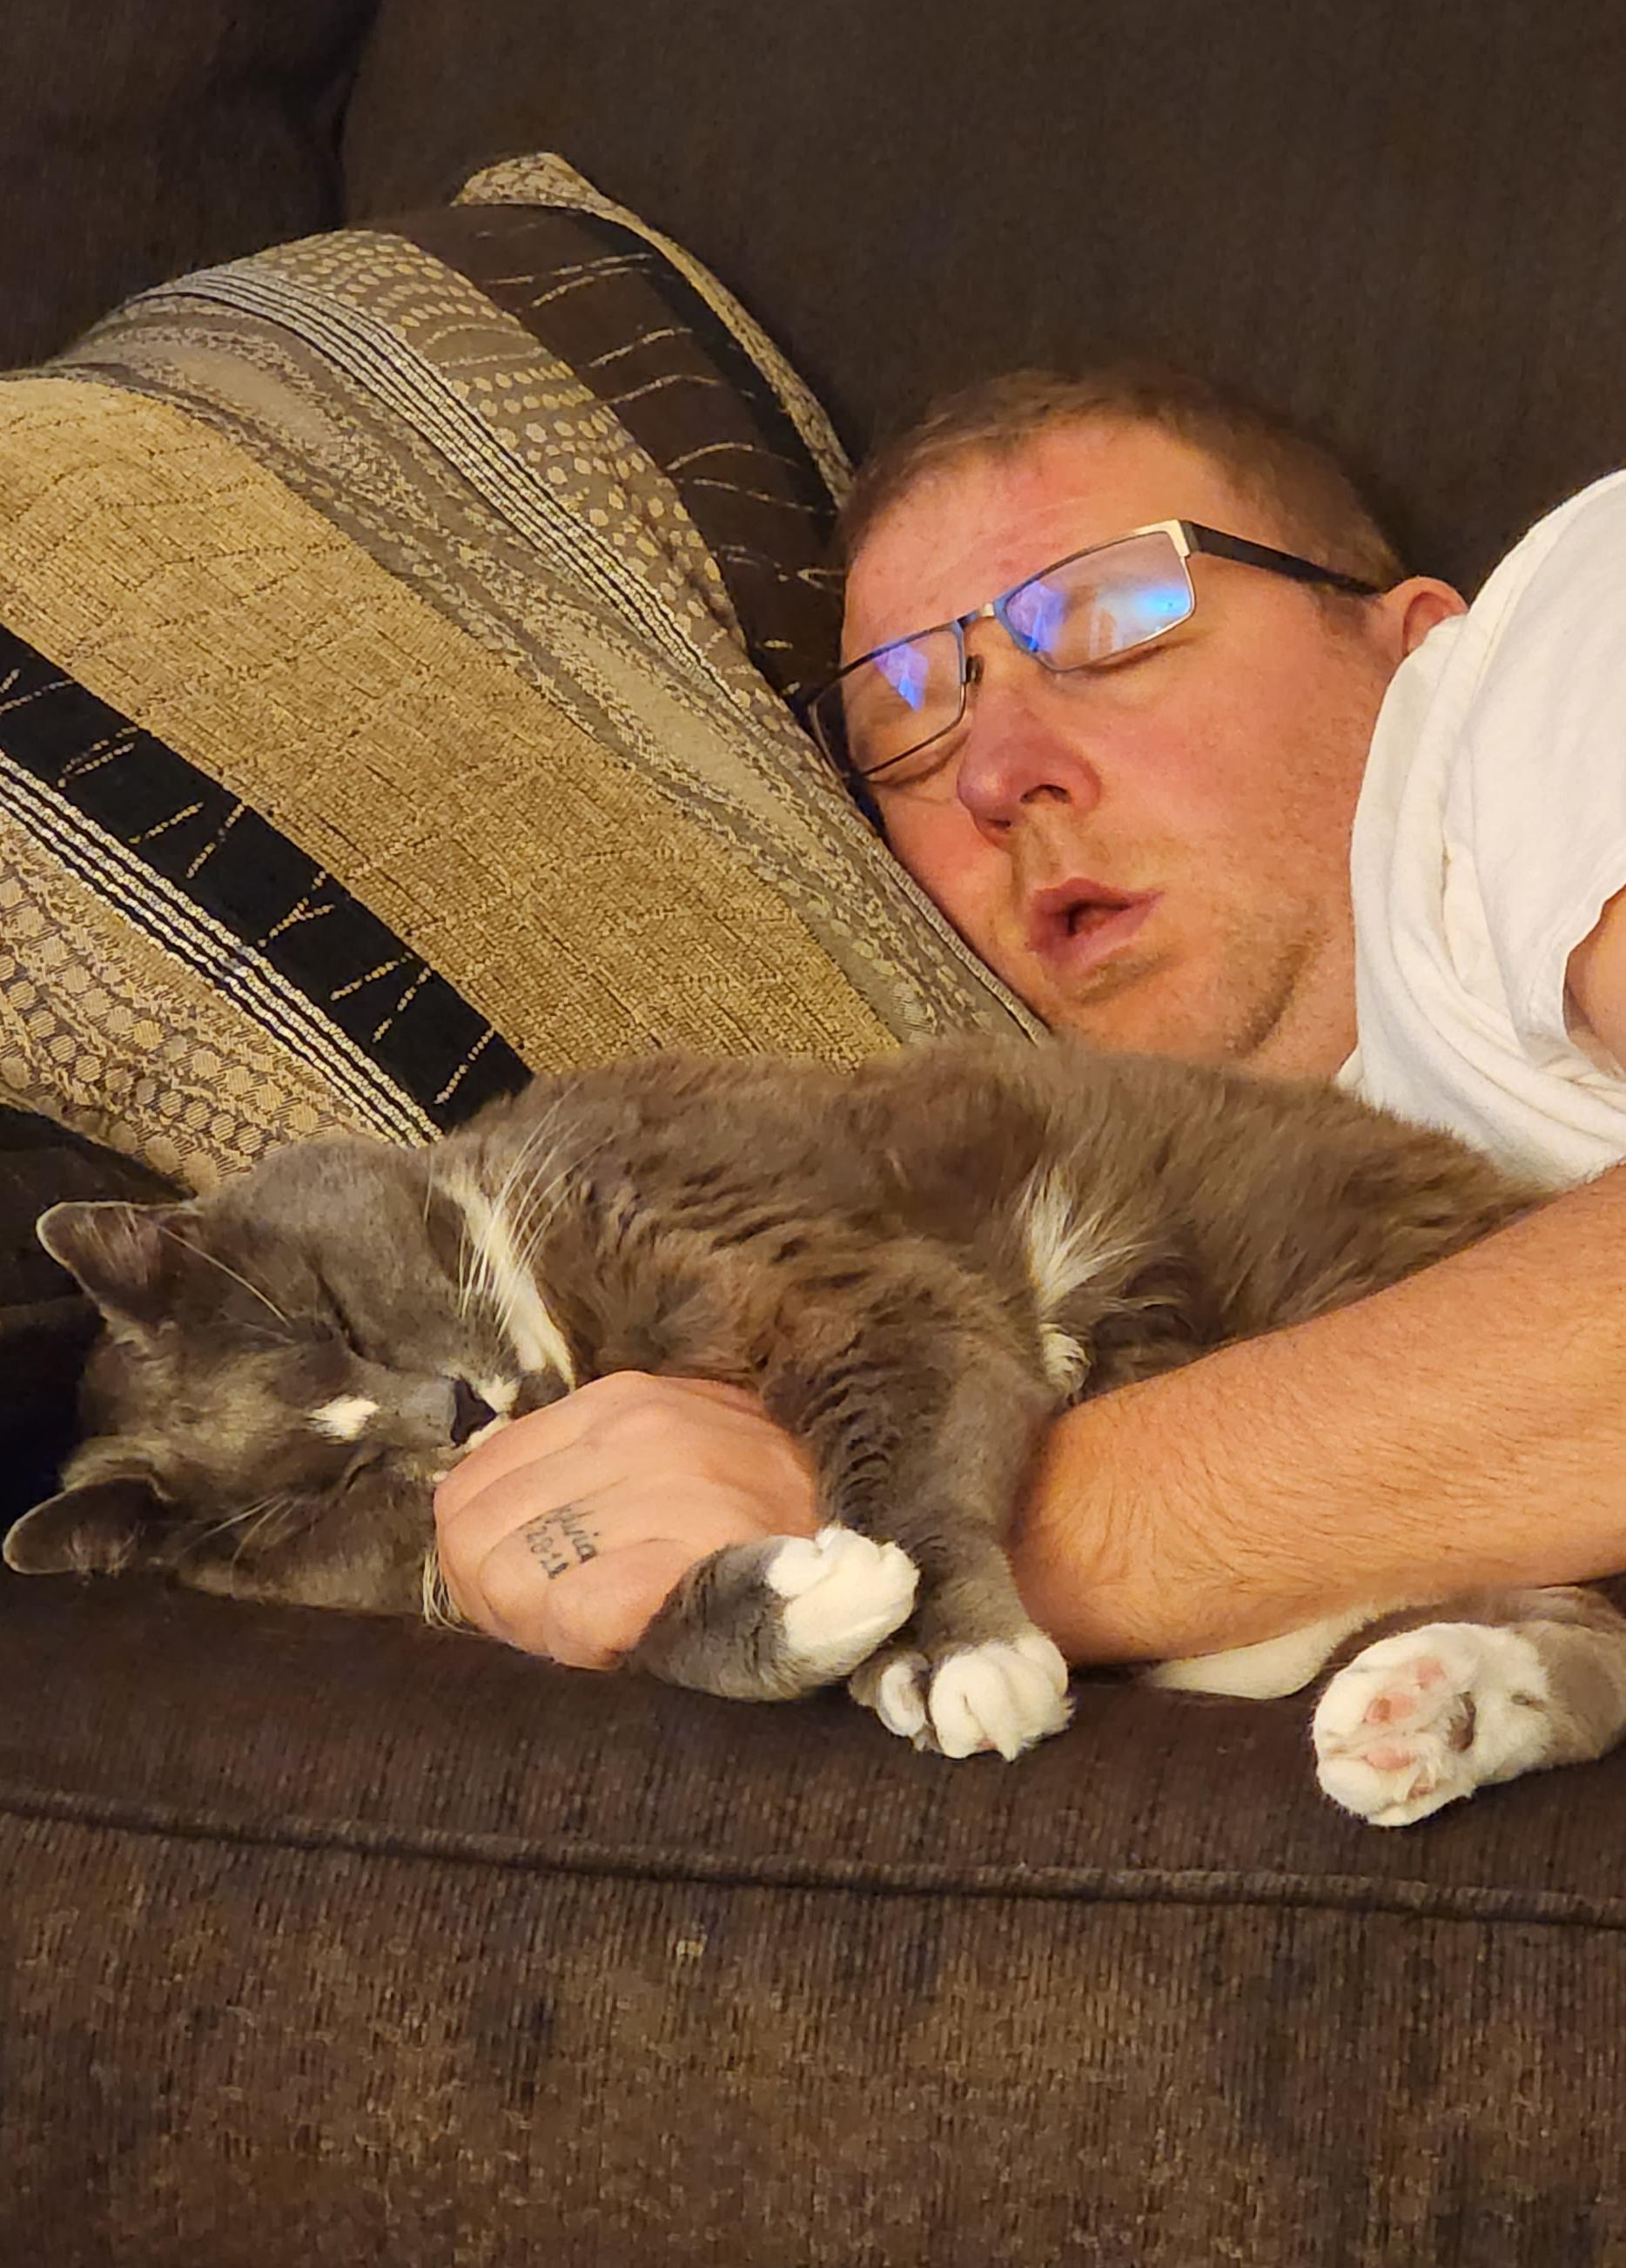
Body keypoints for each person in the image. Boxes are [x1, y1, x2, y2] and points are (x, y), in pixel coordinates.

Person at [433, 360, 1626, 1675]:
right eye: (906, 725)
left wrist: (936, 1527)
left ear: (1405, 638)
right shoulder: (1174, 1218)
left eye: (1113, 621)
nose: (996, 775)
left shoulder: (1571, 624)